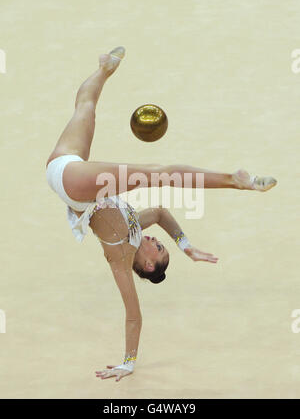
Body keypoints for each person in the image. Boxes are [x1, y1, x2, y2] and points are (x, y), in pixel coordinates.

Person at [45, 47, 277, 381]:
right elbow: (162, 213)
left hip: (74, 185)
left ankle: (236, 182)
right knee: (86, 108)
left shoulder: (121, 259)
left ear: (148, 264)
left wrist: (128, 362)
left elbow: (133, 316)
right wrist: (185, 246)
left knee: (157, 173)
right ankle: (104, 69)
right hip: (64, 166)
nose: (156, 241)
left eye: (160, 248)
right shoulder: (138, 230)